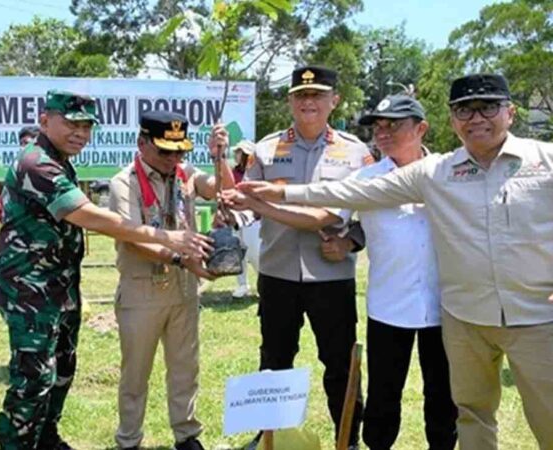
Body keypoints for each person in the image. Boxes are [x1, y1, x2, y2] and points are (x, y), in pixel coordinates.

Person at [235, 74, 553, 450]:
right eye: (465, 110)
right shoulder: (435, 173)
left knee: (528, 413)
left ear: (511, 113)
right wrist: (279, 193)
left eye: (488, 107)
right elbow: (343, 196)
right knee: (463, 411)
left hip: (514, 314)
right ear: (453, 119)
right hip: (446, 313)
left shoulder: (536, 161)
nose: (476, 118)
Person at [229, 95, 459, 449]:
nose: (382, 134)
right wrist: (261, 204)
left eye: (393, 125)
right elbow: (320, 213)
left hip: (443, 305)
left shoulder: (449, 172)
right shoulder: (368, 178)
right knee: (383, 401)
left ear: (421, 128)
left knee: (443, 400)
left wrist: (349, 242)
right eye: (378, 127)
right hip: (389, 307)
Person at [0, 90, 213, 450]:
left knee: (62, 370)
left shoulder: (60, 160)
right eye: (71, 123)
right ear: (45, 120)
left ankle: (47, 438)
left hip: (60, 285)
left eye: (86, 126)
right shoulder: (36, 162)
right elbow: (89, 216)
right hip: (30, 289)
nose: (79, 133)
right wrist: (165, 237)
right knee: (33, 378)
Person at [239, 65, 370, 448]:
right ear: (290, 101)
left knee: (341, 366)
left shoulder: (356, 153)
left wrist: (350, 243)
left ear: (334, 101)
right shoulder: (265, 149)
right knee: (274, 361)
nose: (308, 102)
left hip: (332, 278)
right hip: (277, 273)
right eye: (300, 95)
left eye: (317, 95)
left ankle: (348, 439)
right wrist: (234, 211)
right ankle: (270, 438)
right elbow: (248, 207)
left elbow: (370, 217)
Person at [110, 112, 235, 450]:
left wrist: (219, 156)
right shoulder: (125, 182)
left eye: (180, 151)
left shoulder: (184, 174)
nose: (174, 159)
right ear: (142, 143)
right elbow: (132, 237)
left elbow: (224, 190)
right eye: (166, 151)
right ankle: (129, 439)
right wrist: (180, 256)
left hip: (184, 288)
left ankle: (187, 434)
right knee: (135, 374)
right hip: (142, 290)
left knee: (185, 367)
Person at [230, 140, 256, 298]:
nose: (236, 155)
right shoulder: (233, 172)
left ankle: (263, 283)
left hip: (253, 219)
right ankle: (242, 285)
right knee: (238, 253)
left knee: (255, 253)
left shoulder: (256, 172)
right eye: (237, 152)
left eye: (240, 152)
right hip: (235, 218)